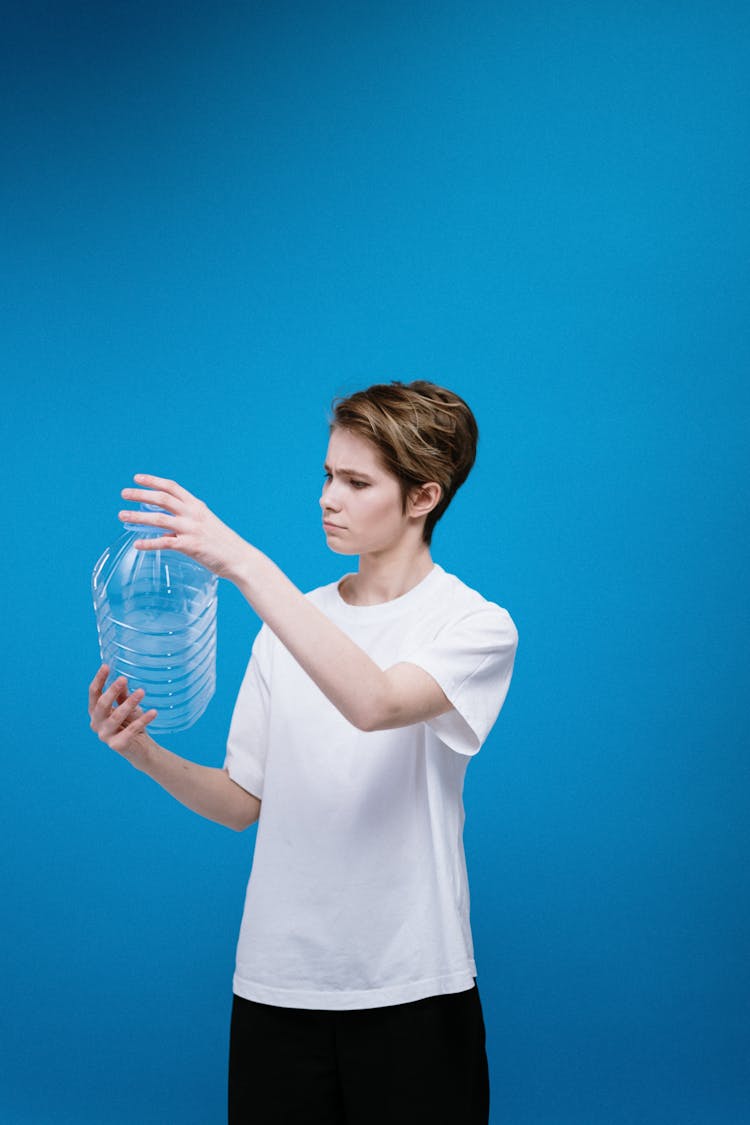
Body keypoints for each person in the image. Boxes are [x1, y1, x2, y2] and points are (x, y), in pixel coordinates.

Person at [88, 379, 518, 1125]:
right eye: (327, 475)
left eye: (356, 482)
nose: (328, 497)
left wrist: (245, 563)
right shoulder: (288, 624)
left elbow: (375, 701)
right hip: (276, 985)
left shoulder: (475, 626)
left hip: (413, 984)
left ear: (423, 497)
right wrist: (142, 752)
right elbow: (241, 803)